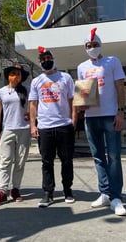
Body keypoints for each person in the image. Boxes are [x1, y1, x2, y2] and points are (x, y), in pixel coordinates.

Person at [76, 27, 126, 216]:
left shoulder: (112, 61)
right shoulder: (82, 67)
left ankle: (116, 197)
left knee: (113, 156)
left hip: (110, 115)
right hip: (91, 117)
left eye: (95, 44)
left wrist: (120, 112)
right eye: (88, 45)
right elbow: (82, 92)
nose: (92, 47)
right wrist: (82, 105)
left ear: (100, 45)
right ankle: (104, 192)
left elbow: (120, 87)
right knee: (98, 156)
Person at [29, 46, 76, 208]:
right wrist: (33, 126)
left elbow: (72, 100)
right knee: (46, 161)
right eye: (43, 59)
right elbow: (33, 104)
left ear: (53, 59)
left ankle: (67, 190)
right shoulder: (36, 81)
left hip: (64, 125)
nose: (46, 61)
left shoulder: (65, 78)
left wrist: (74, 120)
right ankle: (48, 193)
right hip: (45, 127)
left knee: (67, 160)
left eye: (48, 58)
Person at [0, 64, 31, 206]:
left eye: (18, 74)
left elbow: (32, 108)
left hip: (24, 129)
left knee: (20, 162)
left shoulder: (27, 90)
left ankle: (15, 189)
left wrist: (31, 119)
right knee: (5, 161)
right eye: (13, 73)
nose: (15, 76)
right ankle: (2, 191)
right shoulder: (0, 92)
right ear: (8, 76)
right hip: (8, 129)